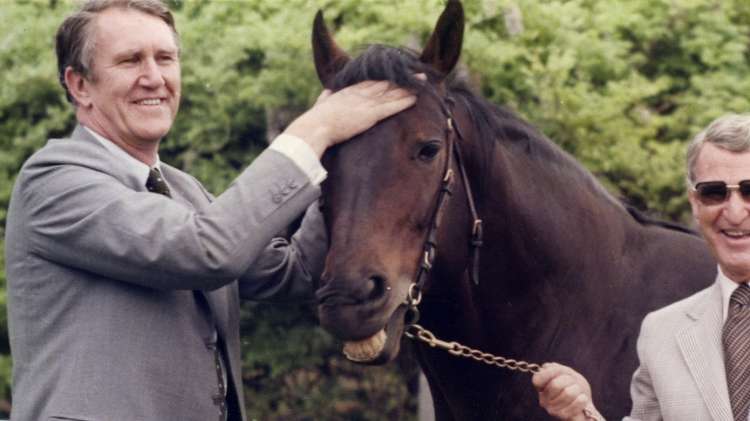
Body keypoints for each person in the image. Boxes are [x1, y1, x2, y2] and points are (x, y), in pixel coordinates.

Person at [4, 0, 417, 420]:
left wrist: (338, 154)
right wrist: (314, 130)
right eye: (130, 61)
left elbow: (294, 272)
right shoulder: (53, 181)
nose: (154, 78)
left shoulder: (185, 191)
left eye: (166, 58)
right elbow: (207, 251)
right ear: (79, 85)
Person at [532, 113, 750, 421]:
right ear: (695, 203)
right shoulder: (661, 332)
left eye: (749, 190)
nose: (735, 211)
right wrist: (582, 414)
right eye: (714, 192)